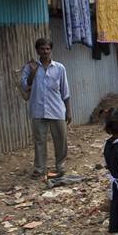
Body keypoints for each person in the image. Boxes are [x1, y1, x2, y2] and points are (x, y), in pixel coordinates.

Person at [21, 37, 71, 179]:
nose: (45, 51)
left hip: (57, 110)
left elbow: (65, 91)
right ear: (37, 50)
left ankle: (60, 166)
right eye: (42, 49)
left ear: (51, 50)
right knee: (39, 141)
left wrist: (68, 111)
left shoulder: (60, 68)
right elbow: (25, 86)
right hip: (37, 110)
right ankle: (39, 168)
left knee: (61, 140)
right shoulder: (29, 67)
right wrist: (33, 71)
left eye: (47, 48)